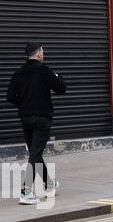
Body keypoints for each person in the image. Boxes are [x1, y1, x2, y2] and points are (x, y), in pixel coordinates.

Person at [6, 41, 67, 205]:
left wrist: (24, 104)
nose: (44, 54)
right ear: (38, 54)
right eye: (43, 52)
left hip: (26, 117)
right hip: (42, 118)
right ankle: (26, 191)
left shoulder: (19, 73)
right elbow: (61, 89)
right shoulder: (45, 71)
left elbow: (10, 97)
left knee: (35, 152)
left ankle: (49, 185)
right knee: (35, 153)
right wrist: (58, 77)